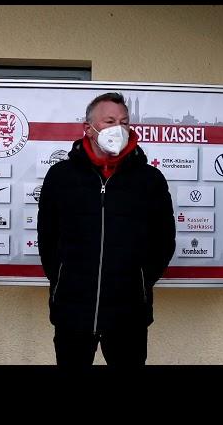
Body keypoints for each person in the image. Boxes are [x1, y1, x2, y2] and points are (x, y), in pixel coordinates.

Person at [38, 92, 175, 366]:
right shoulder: (61, 177)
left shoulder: (150, 179)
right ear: (88, 129)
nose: (119, 128)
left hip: (128, 314)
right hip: (72, 312)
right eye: (110, 120)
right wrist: (64, 278)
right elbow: (48, 239)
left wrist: (140, 280)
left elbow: (164, 240)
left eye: (124, 122)